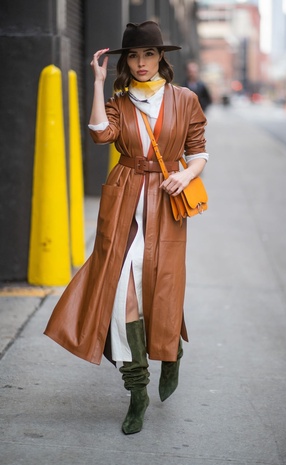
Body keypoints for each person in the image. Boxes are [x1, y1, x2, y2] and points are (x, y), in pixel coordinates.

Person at [44, 21, 208, 435]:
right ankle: (137, 390)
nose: (140, 63)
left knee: (163, 285)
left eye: (148, 55)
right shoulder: (119, 100)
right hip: (124, 200)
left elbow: (199, 152)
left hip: (167, 200)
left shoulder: (185, 99)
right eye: (133, 56)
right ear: (125, 61)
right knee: (123, 290)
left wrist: (185, 177)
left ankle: (171, 353)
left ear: (161, 59)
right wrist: (98, 83)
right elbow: (100, 134)